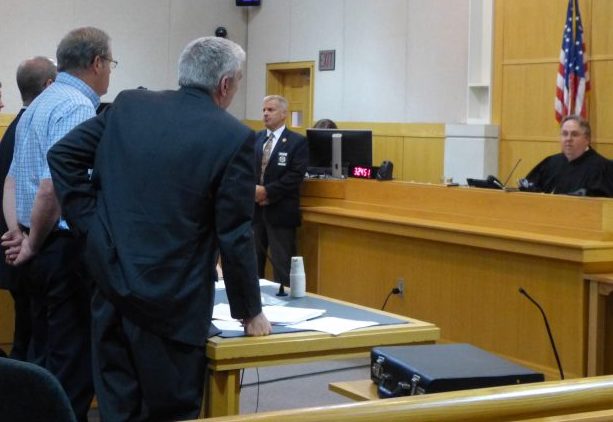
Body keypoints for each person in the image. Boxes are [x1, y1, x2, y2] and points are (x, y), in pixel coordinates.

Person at [47, 36, 271, 421]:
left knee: (117, 409)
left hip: (111, 288)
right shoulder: (234, 138)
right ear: (226, 85)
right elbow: (235, 234)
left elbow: (63, 156)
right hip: (173, 304)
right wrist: (249, 311)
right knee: (169, 412)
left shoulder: (130, 106)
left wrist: (90, 225)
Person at [2, 27, 115, 421]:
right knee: (70, 367)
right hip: (59, 248)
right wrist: (33, 242)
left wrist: (18, 232)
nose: (110, 73)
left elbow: (13, 177)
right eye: (110, 64)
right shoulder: (77, 107)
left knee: (40, 357)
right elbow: (54, 185)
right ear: (97, 62)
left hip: (33, 240)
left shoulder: (39, 103)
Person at [0, 57, 57, 361]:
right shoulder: (32, 129)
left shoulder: (15, 129)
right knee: (33, 340)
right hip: (24, 248)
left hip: (16, 244)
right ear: (49, 86)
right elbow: (43, 192)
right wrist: (23, 236)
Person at [254, 95, 309, 289]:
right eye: (264, 110)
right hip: (255, 213)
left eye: (271, 110)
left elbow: (294, 176)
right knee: (253, 265)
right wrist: (254, 191)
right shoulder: (255, 139)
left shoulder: (297, 142)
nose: (266, 114)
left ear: (284, 114)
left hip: (280, 212)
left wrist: (267, 192)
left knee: (282, 266)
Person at [520, 115, 613, 196]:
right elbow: (528, 187)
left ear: (587, 139)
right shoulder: (551, 162)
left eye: (574, 134)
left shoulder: (602, 168)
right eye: (564, 134)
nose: (568, 139)